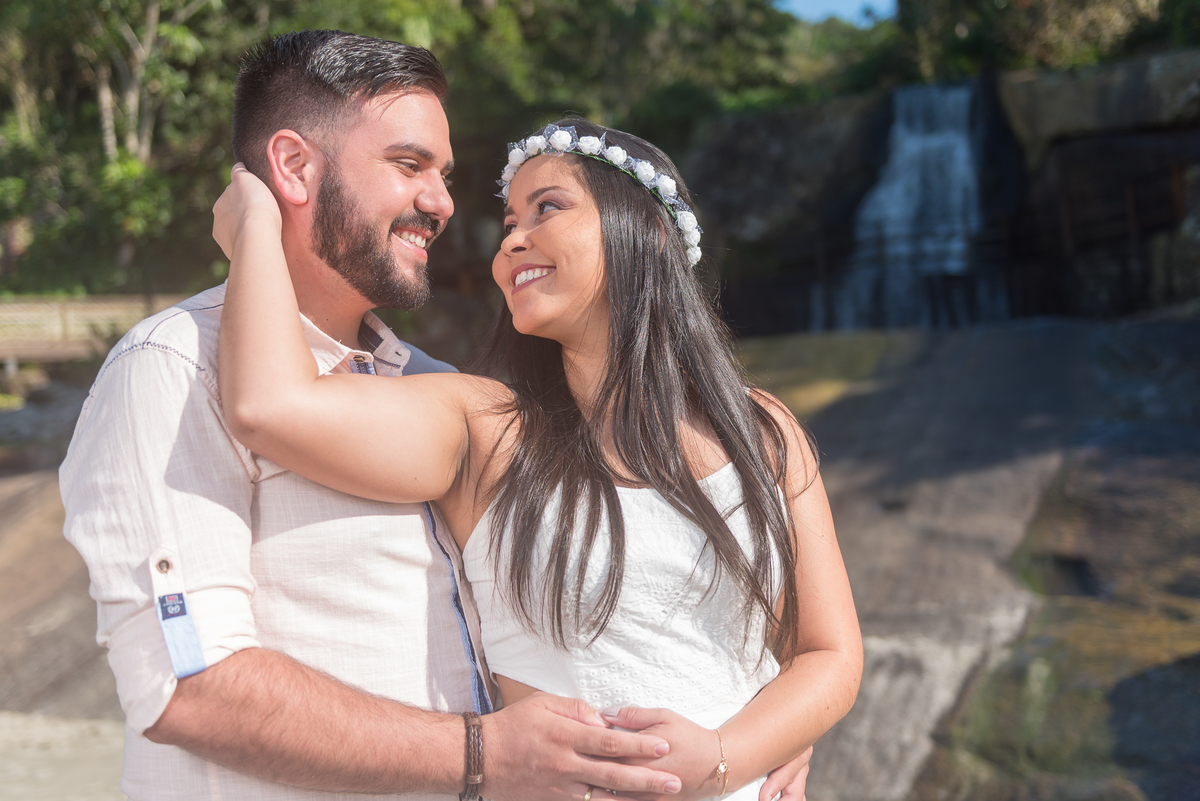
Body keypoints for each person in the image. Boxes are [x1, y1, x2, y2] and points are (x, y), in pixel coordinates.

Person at [61, 30, 814, 801]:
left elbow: (622, 601)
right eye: (409, 164)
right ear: (292, 166)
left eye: (445, 174)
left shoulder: (438, 387)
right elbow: (188, 682)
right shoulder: (172, 368)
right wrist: (484, 753)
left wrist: (757, 724)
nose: (444, 203)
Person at [213, 111, 863, 801]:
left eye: (546, 209)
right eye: (508, 224)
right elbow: (266, 405)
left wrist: (732, 753)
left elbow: (827, 653)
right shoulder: (482, 430)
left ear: (646, 229)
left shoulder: (762, 432)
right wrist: (255, 227)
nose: (512, 241)